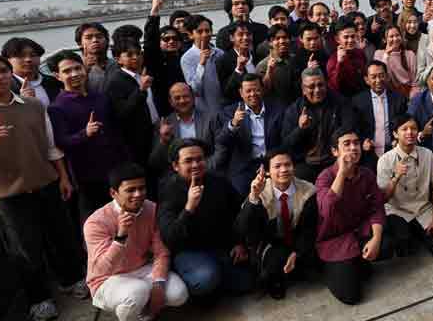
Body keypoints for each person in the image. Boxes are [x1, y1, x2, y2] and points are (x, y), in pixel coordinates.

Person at [0, 52, 87, 321]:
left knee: (61, 236)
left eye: (3, 70)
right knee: (25, 249)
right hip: (9, 193)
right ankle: (39, 299)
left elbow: (51, 147)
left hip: (45, 181)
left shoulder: (33, 105)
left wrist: (62, 177)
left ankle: (71, 280)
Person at [85, 163, 188, 321]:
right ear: (113, 193)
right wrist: (121, 236)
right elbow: (101, 269)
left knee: (178, 294)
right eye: (130, 190)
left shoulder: (151, 209)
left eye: (141, 188)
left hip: (141, 269)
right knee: (136, 292)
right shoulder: (96, 222)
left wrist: (158, 283)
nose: (138, 194)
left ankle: (141, 308)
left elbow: (161, 252)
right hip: (108, 280)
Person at [158, 139, 254, 299]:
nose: (196, 165)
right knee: (206, 279)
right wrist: (189, 207)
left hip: (221, 246)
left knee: (248, 281)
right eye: (188, 161)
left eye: (199, 159)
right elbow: (170, 237)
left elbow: (238, 212)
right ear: (176, 166)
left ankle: (218, 277)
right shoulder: (168, 190)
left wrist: (239, 242)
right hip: (189, 251)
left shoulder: (218, 181)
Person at [47, 50, 127, 219]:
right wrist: (85, 133)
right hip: (86, 174)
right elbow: (61, 142)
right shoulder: (57, 107)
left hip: (114, 166)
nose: (74, 74)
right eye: (67, 71)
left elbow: (116, 131)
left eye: (78, 68)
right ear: (57, 76)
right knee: (97, 219)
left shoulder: (100, 98)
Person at [315, 128, 385, 305]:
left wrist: (376, 239)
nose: (353, 148)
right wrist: (341, 173)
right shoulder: (325, 177)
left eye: (356, 143)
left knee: (390, 240)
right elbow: (328, 209)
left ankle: (357, 261)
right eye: (346, 144)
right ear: (334, 151)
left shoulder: (366, 174)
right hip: (335, 241)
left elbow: (376, 207)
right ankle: (332, 267)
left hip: (359, 232)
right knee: (351, 296)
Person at [235, 151, 318, 299]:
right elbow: (242, 227)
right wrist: (253, 197)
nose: (284, 170)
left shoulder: (308, 190)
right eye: (277, 166)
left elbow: (309, 228)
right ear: (267, 172)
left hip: (297, 239)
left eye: (288, 165)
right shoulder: (259, 190)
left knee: (311, 266)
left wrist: (297, 252)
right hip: (271, 242)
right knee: (275, 265)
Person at [376, 115, 433, 259]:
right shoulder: (385, 160)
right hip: (397, 210)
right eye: (404, 129)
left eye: (414, 128)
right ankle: (411, 234)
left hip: (423, 209)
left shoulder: (427, 154)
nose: (409, 132)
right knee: (405, 248)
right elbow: (383, 198)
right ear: (395, 134)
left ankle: (417, 231)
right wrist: (396, 177)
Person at [213, 75, 285, 195]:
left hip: (271, 163)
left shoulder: (277, 109)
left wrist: (271, 161)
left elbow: (284, 140)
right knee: (238, 194)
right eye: (248, 91)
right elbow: (221, 141)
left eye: (256, 90)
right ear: (241, 93)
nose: (253, 94)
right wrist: (233, 124)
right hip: (244, 166)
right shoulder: (229, 112)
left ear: (262, 89)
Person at [281, 67, 349, 182]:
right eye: (311, 87)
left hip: (334, 161)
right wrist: (300, 129)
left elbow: (349, 129)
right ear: (303, 89)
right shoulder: (294, 110)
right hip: (305, 163)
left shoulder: (340, 103)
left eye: (320, 85)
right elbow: (286, 145)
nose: (317, 90)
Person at [149, 82, 218, 180]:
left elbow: (220, 149)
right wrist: (164, 140)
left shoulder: (210, 119)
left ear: (193, 98)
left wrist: (203, 169)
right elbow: (155, 162)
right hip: (176, 180)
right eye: (177, 98)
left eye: (186, 96)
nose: (182, 101)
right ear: (170, 101)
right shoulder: (162, 124)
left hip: (208, 174)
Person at [105, 40, 157, 169]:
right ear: (118, 59)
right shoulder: (116, 81)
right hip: (135, 141)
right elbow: (122, 112)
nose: (136, 57)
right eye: (129, 55)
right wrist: (141, 90)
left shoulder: (142, 75)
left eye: (138, 53)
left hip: (154, 132)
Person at [351, 61, 407, 173]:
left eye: (381, 75)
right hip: (368, 153)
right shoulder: (357, 101)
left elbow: (403, 124)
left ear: (387, 77)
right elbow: (353, 126)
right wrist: (362, 141)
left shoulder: (399, 99)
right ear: (367, 80)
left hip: (393, 150)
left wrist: (398, 139)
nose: (378, 80)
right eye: (373, 77)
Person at [142, 0, 185, 117]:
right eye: (166, 39)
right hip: (166, 112)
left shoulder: (186, 58)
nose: (171, 41)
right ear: (159, 42)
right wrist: (154, 12)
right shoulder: (155, 60)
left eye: (175, 38)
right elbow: (150, 42)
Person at [180, 15, 224, 112]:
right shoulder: (187, 58)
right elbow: (194, 89)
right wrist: (201, 64)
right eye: (199, 32)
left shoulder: (219, 53)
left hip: (224, 107)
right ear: (191, 34)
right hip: (205, 111)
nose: (204, 35)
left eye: (207, 31)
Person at [2, 37, 61, 105]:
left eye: (33, 55)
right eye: (21, 56)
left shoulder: (53, 82)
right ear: (8, 60)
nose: (28, 59)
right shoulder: (4, 87)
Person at [256, 25, 300, 107]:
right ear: (270, 42)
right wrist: (269, 71)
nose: (282, 41)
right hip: (275, 111)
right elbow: (263, 91)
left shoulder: (295, 59)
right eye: (277, 38)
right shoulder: (263, 66)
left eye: (285, 37)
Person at [216, 22, 258, 105]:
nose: (245, 38)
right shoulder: (223, 60)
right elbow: (226, 91)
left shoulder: (257, 56)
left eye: (248, 34)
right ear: (232, 38)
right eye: (240, 35)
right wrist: (238, 69)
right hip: (237, 107)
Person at [375, 25, 420, 100]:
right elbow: (381, 75)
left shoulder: (409, 54)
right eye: (391, 36)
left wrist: (412, 95)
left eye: (397, 35)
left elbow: (414, 81)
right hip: (388, 93)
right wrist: (386, 55)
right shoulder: (379, 54)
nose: (395, 39)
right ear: (385, 40)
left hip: (407, 92)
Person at [327, 16, 367, 97]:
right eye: (346, 37)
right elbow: (335, 86)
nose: (350, 40)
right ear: (337, 39)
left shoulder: (360, 53)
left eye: (353, 36)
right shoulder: (333, 60)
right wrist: (340, 63)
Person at [76, 22, 113, 94]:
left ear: (107, 40)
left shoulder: (118, 64)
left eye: (99, 36)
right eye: (88, 38)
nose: (95, 40)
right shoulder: (76, 70)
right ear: (80, 43)